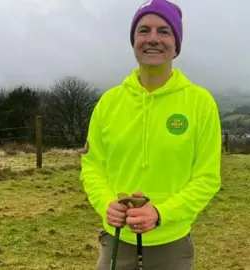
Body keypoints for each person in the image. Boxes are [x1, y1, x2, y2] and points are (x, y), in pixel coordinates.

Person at [80, 0, 222, 269]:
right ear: (133, 40)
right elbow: (92, 166)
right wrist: (105, 204)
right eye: (143, 30)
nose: (152, 39)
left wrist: (160, 214)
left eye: (164, 31)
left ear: (176, 45)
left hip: (172, 244)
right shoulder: (109, 102)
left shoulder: (200, 103)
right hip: (116, 242)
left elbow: (207, 178)